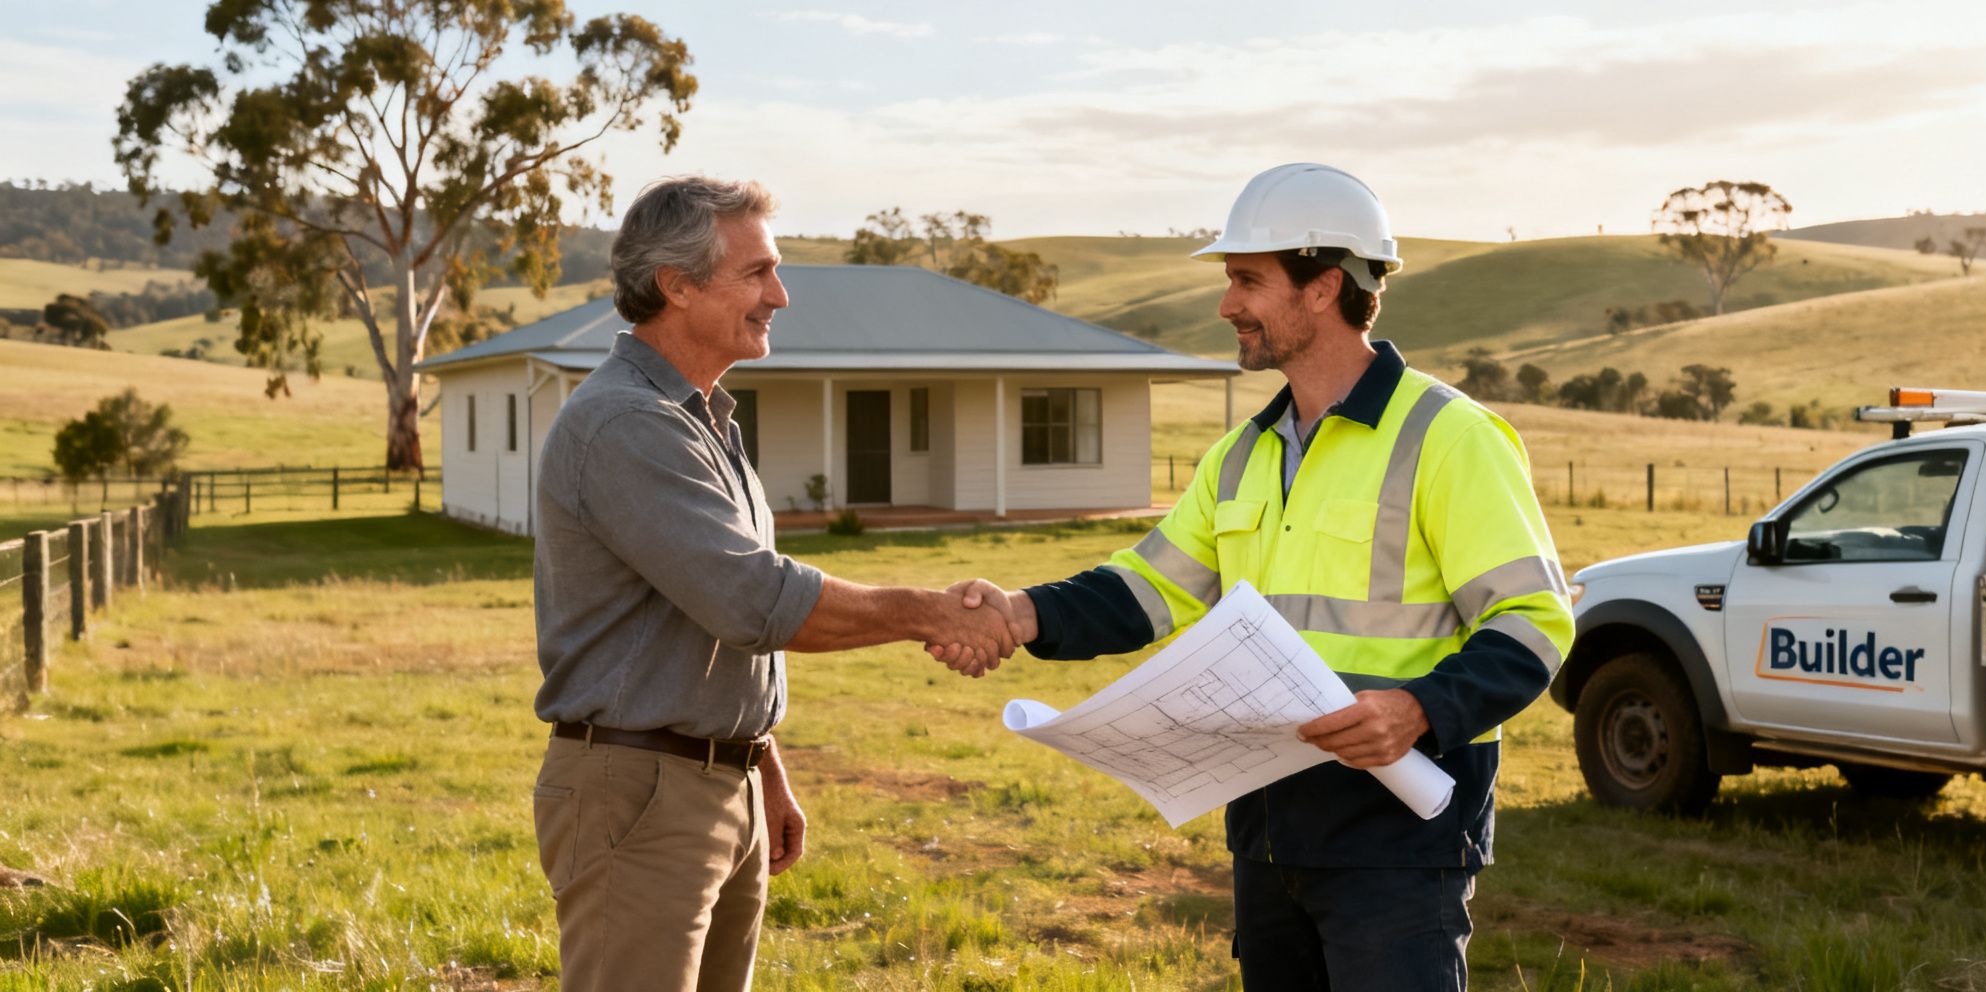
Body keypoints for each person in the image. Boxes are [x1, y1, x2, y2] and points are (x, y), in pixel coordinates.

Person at [942, 163, 1574, 990]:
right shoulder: (1241, 456)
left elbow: (1535, 621)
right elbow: (1147, 588)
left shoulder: (1449, 437)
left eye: (1247, 280)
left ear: (1323, 287)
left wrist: (1421, 708)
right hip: (1270, 829)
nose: (1227, 304)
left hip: (1396, 840)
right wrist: (1019, 613)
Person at [531, 175, 1017, 991]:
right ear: (676, 286)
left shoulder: (703, 420)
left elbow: (702, 623)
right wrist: (931, 610)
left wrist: (763, 766)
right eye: (756, 273)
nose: (780, 295)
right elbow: (754, 601)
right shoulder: (628, 426)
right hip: (645, 796)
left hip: (720, 785)